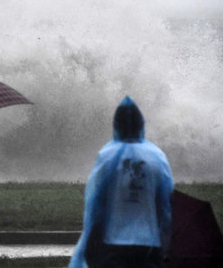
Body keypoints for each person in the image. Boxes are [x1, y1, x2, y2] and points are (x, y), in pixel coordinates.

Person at [68, 96, 174, 268]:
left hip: (112, 243)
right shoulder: (157, 157)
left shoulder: (107, 155)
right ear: (142, 124)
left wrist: (90, 243)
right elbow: (166, 203)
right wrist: (165, 240)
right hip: (149, 243)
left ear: (116, 125)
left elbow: (95, 203)